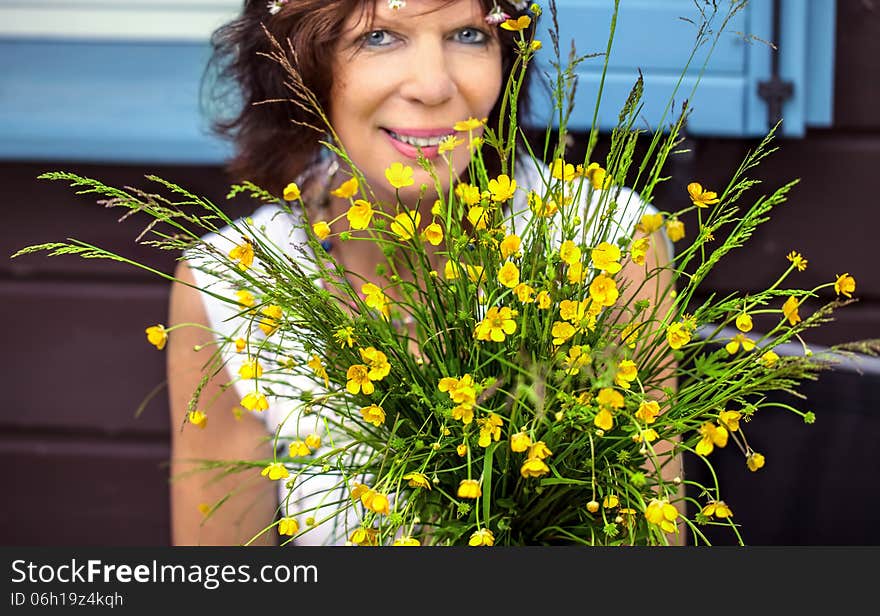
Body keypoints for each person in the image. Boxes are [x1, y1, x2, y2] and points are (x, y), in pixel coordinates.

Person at [166, 0, 678, 546]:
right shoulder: (232, 284)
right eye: (380, 37)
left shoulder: (609, 247)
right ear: (300, 61)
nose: (434, 86)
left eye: (467, 34)